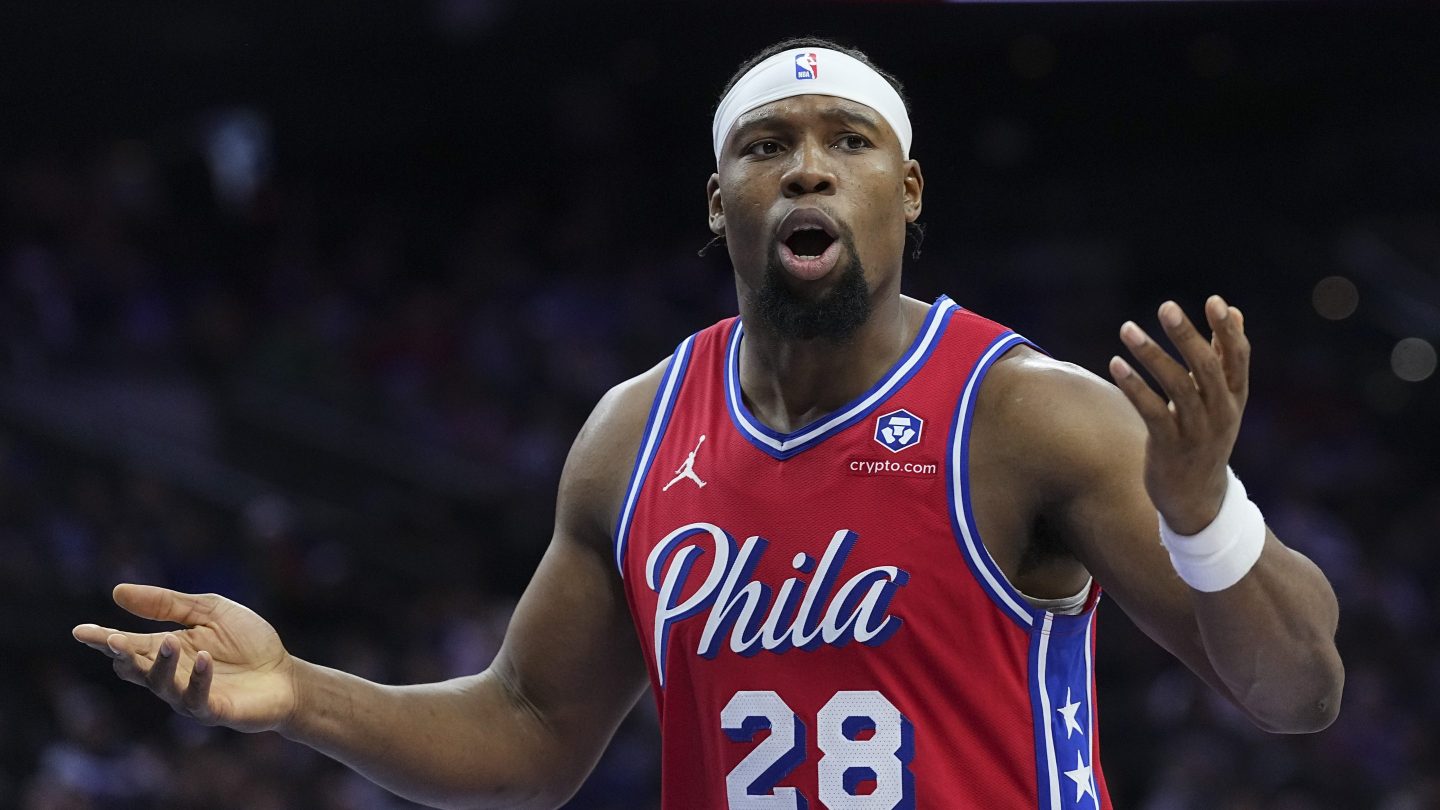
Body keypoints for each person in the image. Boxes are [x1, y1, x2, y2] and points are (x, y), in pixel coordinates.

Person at [73, 38, 1343, 809]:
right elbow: (528, 733)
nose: (808, 166)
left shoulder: (1028, 414)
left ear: (906, 192)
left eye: (849, 142)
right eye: (768, 145)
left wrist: (1206, 515)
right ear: (720, 200)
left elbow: (1296, 692)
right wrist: (301, 696)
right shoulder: (632, 436)